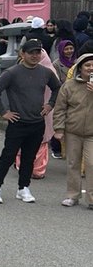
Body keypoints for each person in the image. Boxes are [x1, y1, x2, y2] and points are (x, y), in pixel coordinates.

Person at [0, 38, 61, 204]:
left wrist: (50, 105)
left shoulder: (46, 72)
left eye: (38, 52)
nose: (35, 56)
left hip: (37, 123)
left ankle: (23, 188)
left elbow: (57, 88)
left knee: (29, 157)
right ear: (22, 53)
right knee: (8, 156)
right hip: (17, 122)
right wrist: (4, 112)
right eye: (31, 53)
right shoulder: (12, 72)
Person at [51, 49, 93, 208]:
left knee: (91, 164)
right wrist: (59, 128)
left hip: (91, 133)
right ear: (80, 68)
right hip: (73, 131)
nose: (90, 68)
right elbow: (60, 108)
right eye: (87, 65)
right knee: (72, 163)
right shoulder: (69, 86)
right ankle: (72, 195)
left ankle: (91, 198)